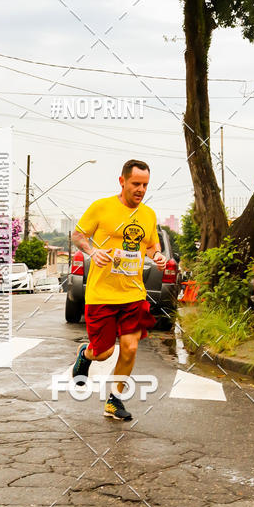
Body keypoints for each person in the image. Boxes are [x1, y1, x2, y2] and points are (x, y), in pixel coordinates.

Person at [70, 159, 166, 420]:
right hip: (102, 294)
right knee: (104, 352)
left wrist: (157, 255)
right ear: (122, 181)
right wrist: (93, 251)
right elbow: (77, 236)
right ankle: (85, 355)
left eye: (145, 185)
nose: (141, 189)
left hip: (133, 294)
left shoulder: (148, 214)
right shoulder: (101, 207)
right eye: (136, 184)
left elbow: (151, 245)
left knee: (130, 347)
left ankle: (114, 400)